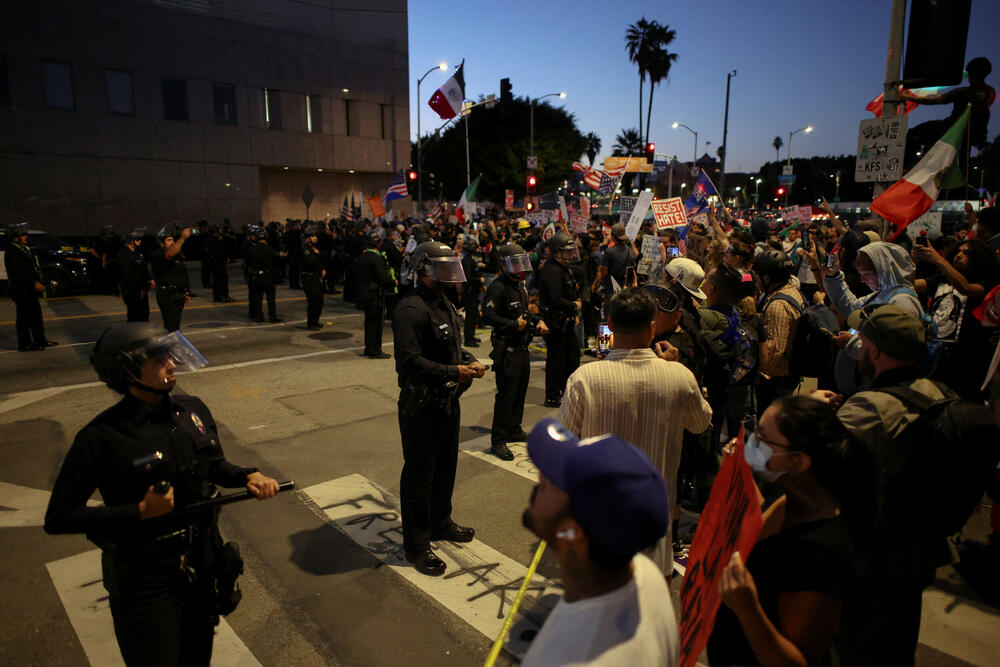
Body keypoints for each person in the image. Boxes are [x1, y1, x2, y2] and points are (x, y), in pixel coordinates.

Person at [44, 323, 280, 666]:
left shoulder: (191, 409)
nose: (171, 364)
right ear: (127, 372)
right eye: (157, 360)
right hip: (145, 578)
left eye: (168, 354)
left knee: (197, 658)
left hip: (201, 562)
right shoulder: (101, 436)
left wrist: (248, 476)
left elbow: (213, 465)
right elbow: (59, 516)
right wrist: (140, 511)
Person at [831, 305, 959, 665]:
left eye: (863, 341)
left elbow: (819, 465)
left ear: (875, 351)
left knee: (853, 649)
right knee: (897, 646)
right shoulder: (938, 393)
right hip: (921, 548)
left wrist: (812, 415)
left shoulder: (870, 408)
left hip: (873, 553)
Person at [707, 395, 873, 667]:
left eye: (764, 439)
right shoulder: (793, 499)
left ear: (799, 461)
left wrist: (747, 608)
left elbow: (798, 661)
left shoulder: (820, 555)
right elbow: (756, 534)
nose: (752, 443)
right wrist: (741, 477)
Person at [556, 287, 712, 573]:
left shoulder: (584, 379)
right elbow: (701, 422)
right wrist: (675, 371)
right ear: (652, 327)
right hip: (655, 514)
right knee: (653, 588)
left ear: (610, 325)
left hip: (600, 513)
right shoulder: (679, 376)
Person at [520, 417, 679, 666]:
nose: (541, 478)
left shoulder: (566, 658)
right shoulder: (646, 575)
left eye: (555, 481)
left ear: (572, 534)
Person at [391, 241, 487, 576]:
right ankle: (417, 546)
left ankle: (440, 523)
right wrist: (452, 371)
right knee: (419, 476)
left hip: (447, 401)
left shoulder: (443, 301)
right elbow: (408, 361)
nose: (449, 274)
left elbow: (451, 346)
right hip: (421, 406)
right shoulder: (411, 309)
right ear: (424, 270)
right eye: (441, 267)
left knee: (446, 467)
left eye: (450, 266)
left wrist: (468, 360)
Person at [823, 242, 924, 396]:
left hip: (880, 391)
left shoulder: (903, 302)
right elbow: (853, 308)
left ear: (883, 271)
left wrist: (852, 343)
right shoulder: (883, 293)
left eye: (866, 274)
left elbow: (895, 351)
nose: (862, 280)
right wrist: (834, 276)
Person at [482, 243, 549, 460]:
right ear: (503, 265)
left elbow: (523, 314)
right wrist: (513, 325)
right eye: (515, 264)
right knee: (506, 395)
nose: (519, 269)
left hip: (521, 347)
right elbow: (488, 316)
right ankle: (499, 440)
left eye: (521, 263)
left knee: (520, 391)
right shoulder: (498, 288)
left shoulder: (519, 285)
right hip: (506, 349)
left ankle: (513, 429)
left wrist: (537, 322)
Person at [912, 238, 1000, 400]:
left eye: (966, 253)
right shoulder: (942, 279)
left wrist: (937, 259)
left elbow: (966, 288)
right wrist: (913, 262)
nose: (959, 255)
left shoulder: (989, 282)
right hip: (936, 352)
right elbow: (913, 285)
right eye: (958, 251)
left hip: (967, 358)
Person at [901, 57, 995, 170]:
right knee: (960, 164)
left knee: (913, 134)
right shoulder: (990, 92)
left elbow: (933, 100)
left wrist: (907, 97)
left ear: (971, 75)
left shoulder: (963, 92)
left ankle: (909, 166)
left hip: (950, 128)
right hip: (970, 136)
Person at [754, 249, 804, 416]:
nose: (756, 280)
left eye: (758, 276)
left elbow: (775, 351)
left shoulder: (778, 305)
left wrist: (758, 375)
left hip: (777, 381)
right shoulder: (792, 290)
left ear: (767, 278)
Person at [538, 232, 582, 408]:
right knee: (557, 360)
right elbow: (555, 299)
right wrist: (573, 306)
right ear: (557, 252)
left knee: (572, 358)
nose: (570, 254)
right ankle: (553, 395)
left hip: (566, 320)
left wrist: (573, 313)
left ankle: (566, 391)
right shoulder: (551, 270)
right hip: (555, 323)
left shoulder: (565, 267)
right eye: (567, 251)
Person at [4, 223, 57, 351]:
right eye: (22, 235)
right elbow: (19, 272)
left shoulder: (23, 249)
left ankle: (40, 340)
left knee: (36, 315)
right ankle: (25, 343)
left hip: (28, 289)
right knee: (24, 317)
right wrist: (34, 283)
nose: (25, 237)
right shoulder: (13, 251)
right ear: (15, 238)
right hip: (21, 289)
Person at [356, 231, 394, 356]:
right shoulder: (375, 258)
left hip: (364, 292)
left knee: (369, 322)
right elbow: (383, 277)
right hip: (374, 294)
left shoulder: (362, 256)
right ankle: (374, 350)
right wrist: (392, 282)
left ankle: (369, 348)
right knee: (376, 323)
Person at [152, 228, 192, 332]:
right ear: (161, 244)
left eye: (172, 239)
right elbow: (169, 254)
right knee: (171, 327)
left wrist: (186, 291)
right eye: (169, 240)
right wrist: (182, 238)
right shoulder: (158, 255)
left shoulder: (176, 255)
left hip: (177, 294)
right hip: (167, 295)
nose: (173, 242)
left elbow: (182, 273)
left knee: (175, 325)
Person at [244, 228, 282, 324]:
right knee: (270, 298)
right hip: (268, 275)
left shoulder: (251, 250)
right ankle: (272, 317)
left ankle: (259, 317)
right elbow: (279, 260)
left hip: (256, 275)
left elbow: (247, 263)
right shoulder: (270, 249)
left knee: (257, 298)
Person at [118, 228, 153, 323]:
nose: (140, 242)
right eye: (137, 239)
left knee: (144, 314)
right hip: (132, 291)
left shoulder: (137, 252)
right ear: (130, 241)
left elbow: (143, 269)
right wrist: (140, 289)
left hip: (142, 289)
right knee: (135, 316)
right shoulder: (124, 255)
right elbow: (128, 275)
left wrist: (149, 280)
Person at [459, 236, 484, 347]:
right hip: (469, 292)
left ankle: (471, 335)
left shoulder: (469, 260)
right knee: (470, 316)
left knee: (473, 315)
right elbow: (468, 278)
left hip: (473, 291)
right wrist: (479, 280)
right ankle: (469, 339)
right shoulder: (466, 261)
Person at [299, 226, 325, 330]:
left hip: (316, 277)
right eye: (312, 236)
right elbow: (310, 262)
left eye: (315, 236)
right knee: (313, 301)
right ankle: (311, 323)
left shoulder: (313, 248)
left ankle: (316, 321)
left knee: (319, 301)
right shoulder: (305, 249)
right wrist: (317, 255)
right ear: (307, 238)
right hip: (309, 277)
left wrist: (322, 269)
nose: (315, 238)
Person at [207, 224, 233, 303]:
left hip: (213, 262)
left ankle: (217, 296)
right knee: (223, 279)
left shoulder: (210, 238)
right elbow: (219, 251)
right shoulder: (216, 239)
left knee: (216, 280)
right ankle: (224, 296)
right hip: (218, 262)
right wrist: (226, 258)